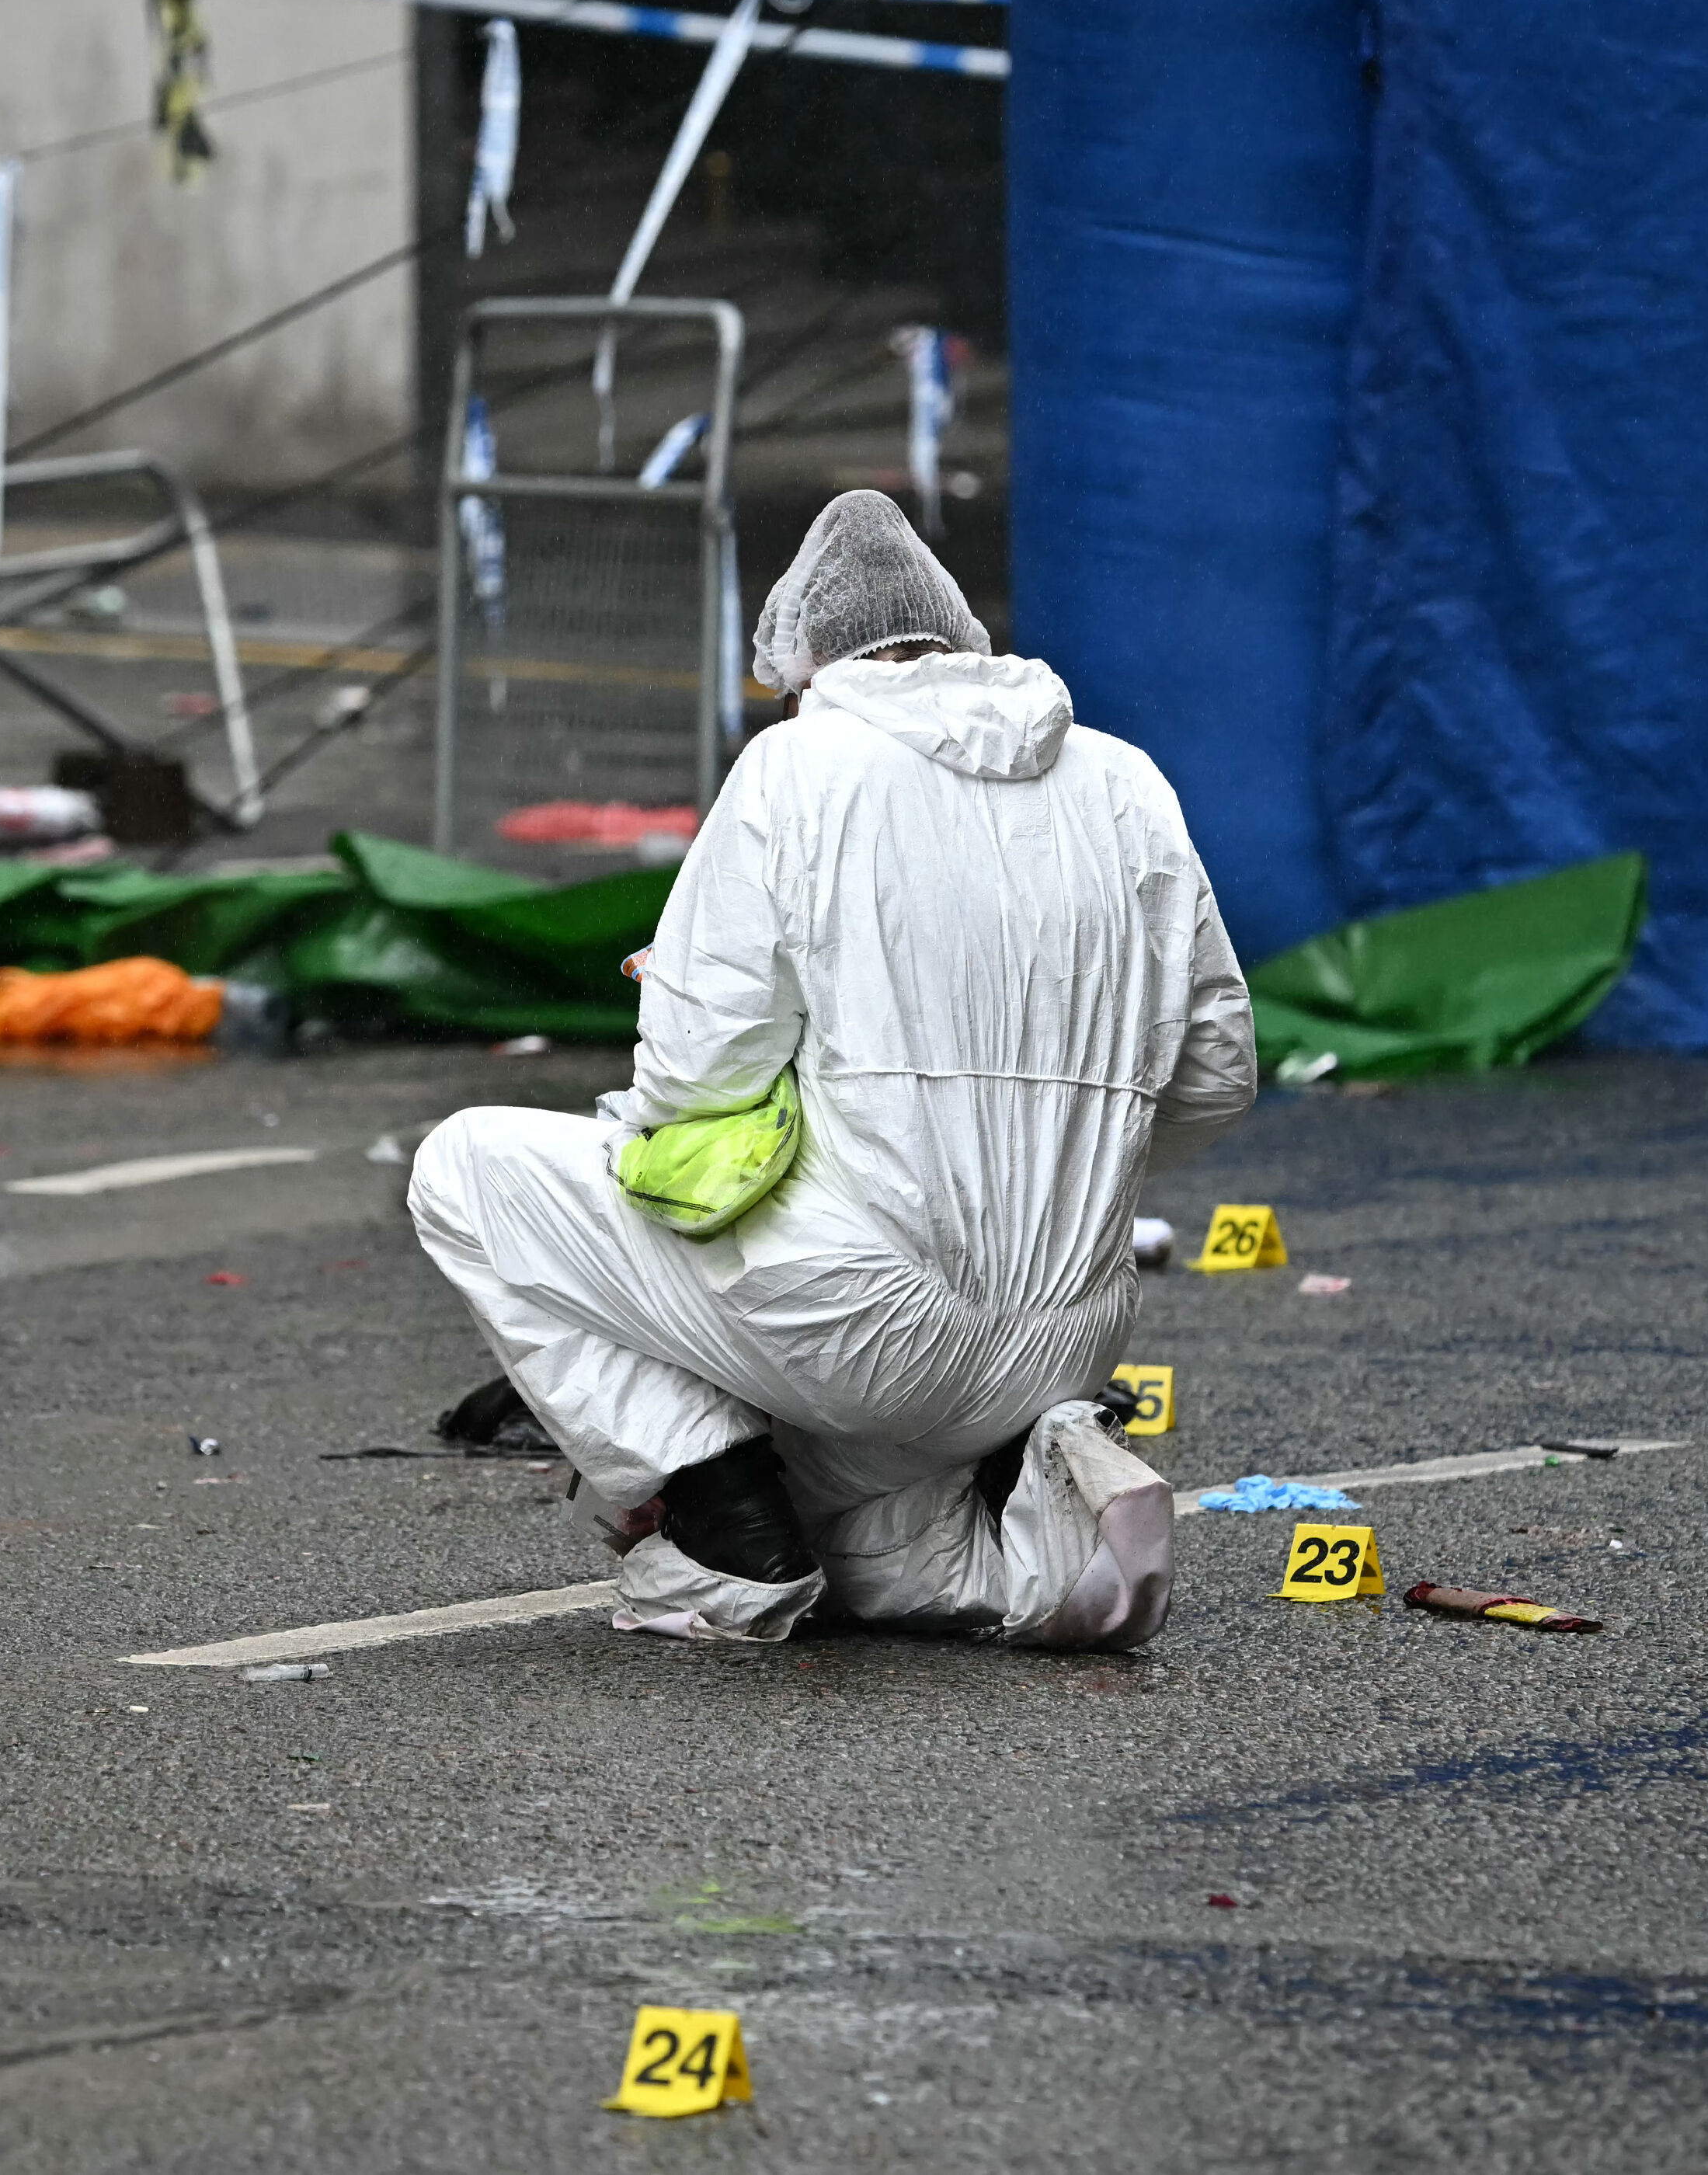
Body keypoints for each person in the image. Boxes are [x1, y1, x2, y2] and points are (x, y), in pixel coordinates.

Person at [408, 492, 1258, 1649]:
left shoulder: (797, 768)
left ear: (806, 669)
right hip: (1068, 1335)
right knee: (872, 1551)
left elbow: (696, 1076)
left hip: (862, 1323)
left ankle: (720, 1520)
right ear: (957, 641)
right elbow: (1215, 1073)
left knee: (467, 1167)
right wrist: (1058, 1166)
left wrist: (669, 1097)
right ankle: (1032, 1521)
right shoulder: (1126, 784)